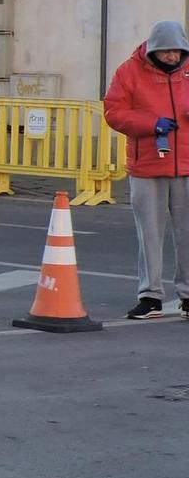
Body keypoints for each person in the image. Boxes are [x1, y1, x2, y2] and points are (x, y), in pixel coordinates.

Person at [103, 19, 189, 319]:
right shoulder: (128, 72)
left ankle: (188, 296)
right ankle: (150, 296)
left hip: (187, 164)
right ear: (153, 49)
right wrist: (151, 125)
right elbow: (113, 113)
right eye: (166, 52)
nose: (172, 57)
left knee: (187, 232)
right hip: (147, 164)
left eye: (178, 52)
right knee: (149, 234)